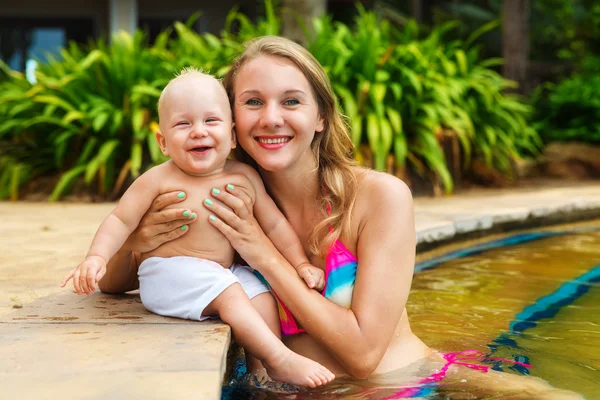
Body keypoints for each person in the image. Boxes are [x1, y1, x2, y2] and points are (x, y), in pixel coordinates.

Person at [98, 37, 582, 399]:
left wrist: (263, 254)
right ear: (230, 122)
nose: (270, 118)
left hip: (405, 387)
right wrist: (139, 239)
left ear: (321, 117)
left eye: (291, 101)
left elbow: (364, 354)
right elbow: (114, 285)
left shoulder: (378, 198)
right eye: (252, 102)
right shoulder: (228, 193)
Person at [60, 68, 334, 389]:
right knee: (230, 292)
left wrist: (300, 263)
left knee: (261, 295)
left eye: (211, 121)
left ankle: (261, 373)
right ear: (163, 142)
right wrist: (96, 257)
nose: (198, 132)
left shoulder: (244, 176)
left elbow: (274, 225)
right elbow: (120, 220)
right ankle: (280, 359)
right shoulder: (158, 180)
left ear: (232, 136)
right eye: (183, 124)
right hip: (169, 274)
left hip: (222, 271)